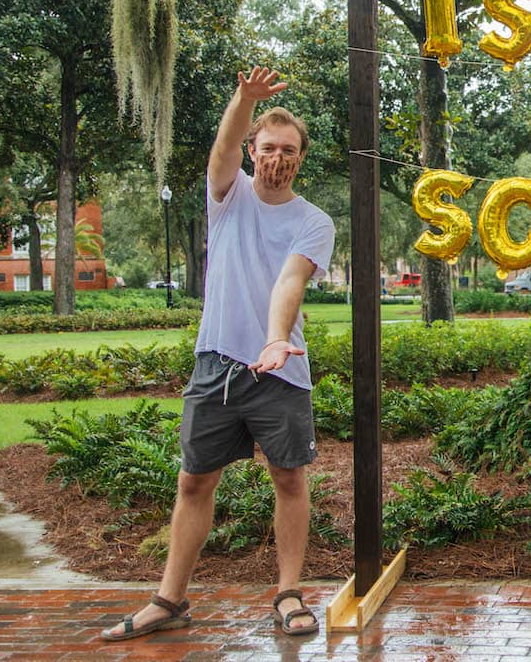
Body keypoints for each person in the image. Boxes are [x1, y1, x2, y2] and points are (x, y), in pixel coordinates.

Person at [104, 66, 335, 641]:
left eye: (289, 148)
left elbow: (290, 281)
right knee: (193, 482)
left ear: (301, 156)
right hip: (217, 364)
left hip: (282, 369)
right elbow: (222, 147)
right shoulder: (227, 197)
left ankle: (287, 594)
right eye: (268, 146)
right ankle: (169, 599)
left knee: (289, 480)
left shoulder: (314, 221)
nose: (278, 155)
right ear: (251, 151)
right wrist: (244, 100)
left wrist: (278, 337)